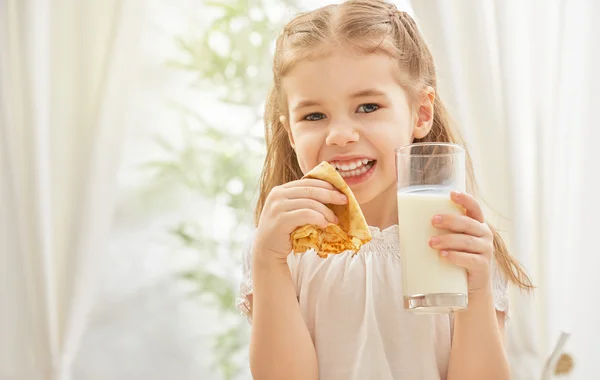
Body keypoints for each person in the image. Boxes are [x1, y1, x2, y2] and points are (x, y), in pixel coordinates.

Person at [236, 1, 533, 379]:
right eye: (314, 116)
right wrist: (267, 259)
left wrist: (475, 293)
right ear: (290, 132)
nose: (341, 134)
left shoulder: (458, 241)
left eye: (368, 106)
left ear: (421, 113)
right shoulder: (281, 248)